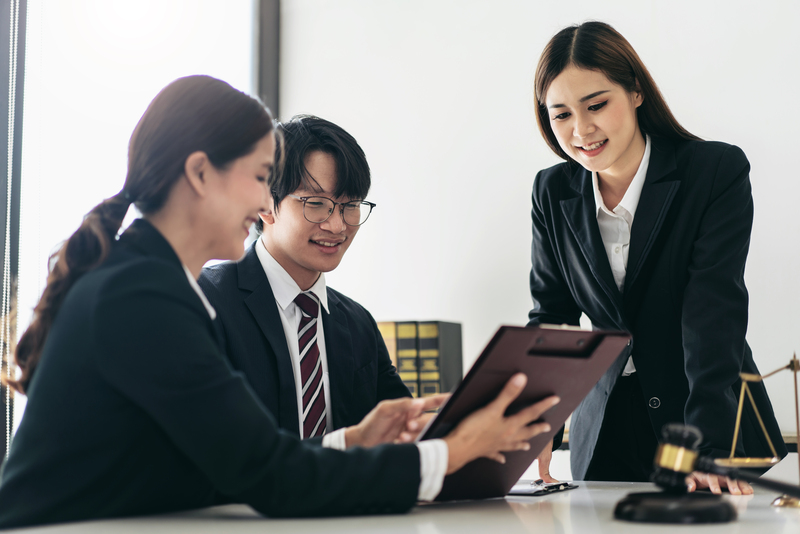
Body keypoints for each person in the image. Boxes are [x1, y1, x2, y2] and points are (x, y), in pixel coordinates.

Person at [0, 75, 558, 530]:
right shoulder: (144, 295)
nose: (265, 199)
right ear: (200, 174)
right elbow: (266, 473)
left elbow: (238, 460)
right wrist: (451, 453)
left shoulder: (155, 284)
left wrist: (354, 442)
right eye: (262, 177)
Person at [527, 22, 786, 494]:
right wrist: (534, 419)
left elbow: (712, 313)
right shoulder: (552, 191)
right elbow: (552, 317)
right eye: (560, 114)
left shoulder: (714, 172)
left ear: (636, 92)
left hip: (704, 417)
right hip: (604, 427)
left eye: (597, 105)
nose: (581, 130)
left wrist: (705, 444)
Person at [198, 115, 409, 444]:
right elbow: (217, 447)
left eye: (350, 205)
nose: (338, 226)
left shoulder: (358, 324)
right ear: (265, 205)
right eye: (317, 204)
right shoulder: (207, 302)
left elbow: (404, 430)